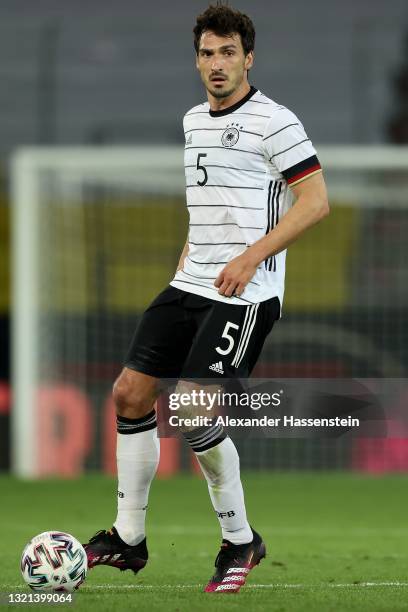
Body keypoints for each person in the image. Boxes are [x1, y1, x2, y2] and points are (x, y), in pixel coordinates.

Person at [84, 3, 329, 594]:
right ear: (196, 60)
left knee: (194, 408)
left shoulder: (277, 121)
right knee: (130, 391)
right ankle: (127, 538)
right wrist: (188, 258)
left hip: (247, 292)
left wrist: (249, 258)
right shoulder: (194, 120)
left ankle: (241, 541)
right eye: (206, 53)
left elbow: (316, 202)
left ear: (248, 57)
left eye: (227, 52)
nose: (216, 64)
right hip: (191, 281)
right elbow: (210, 204)